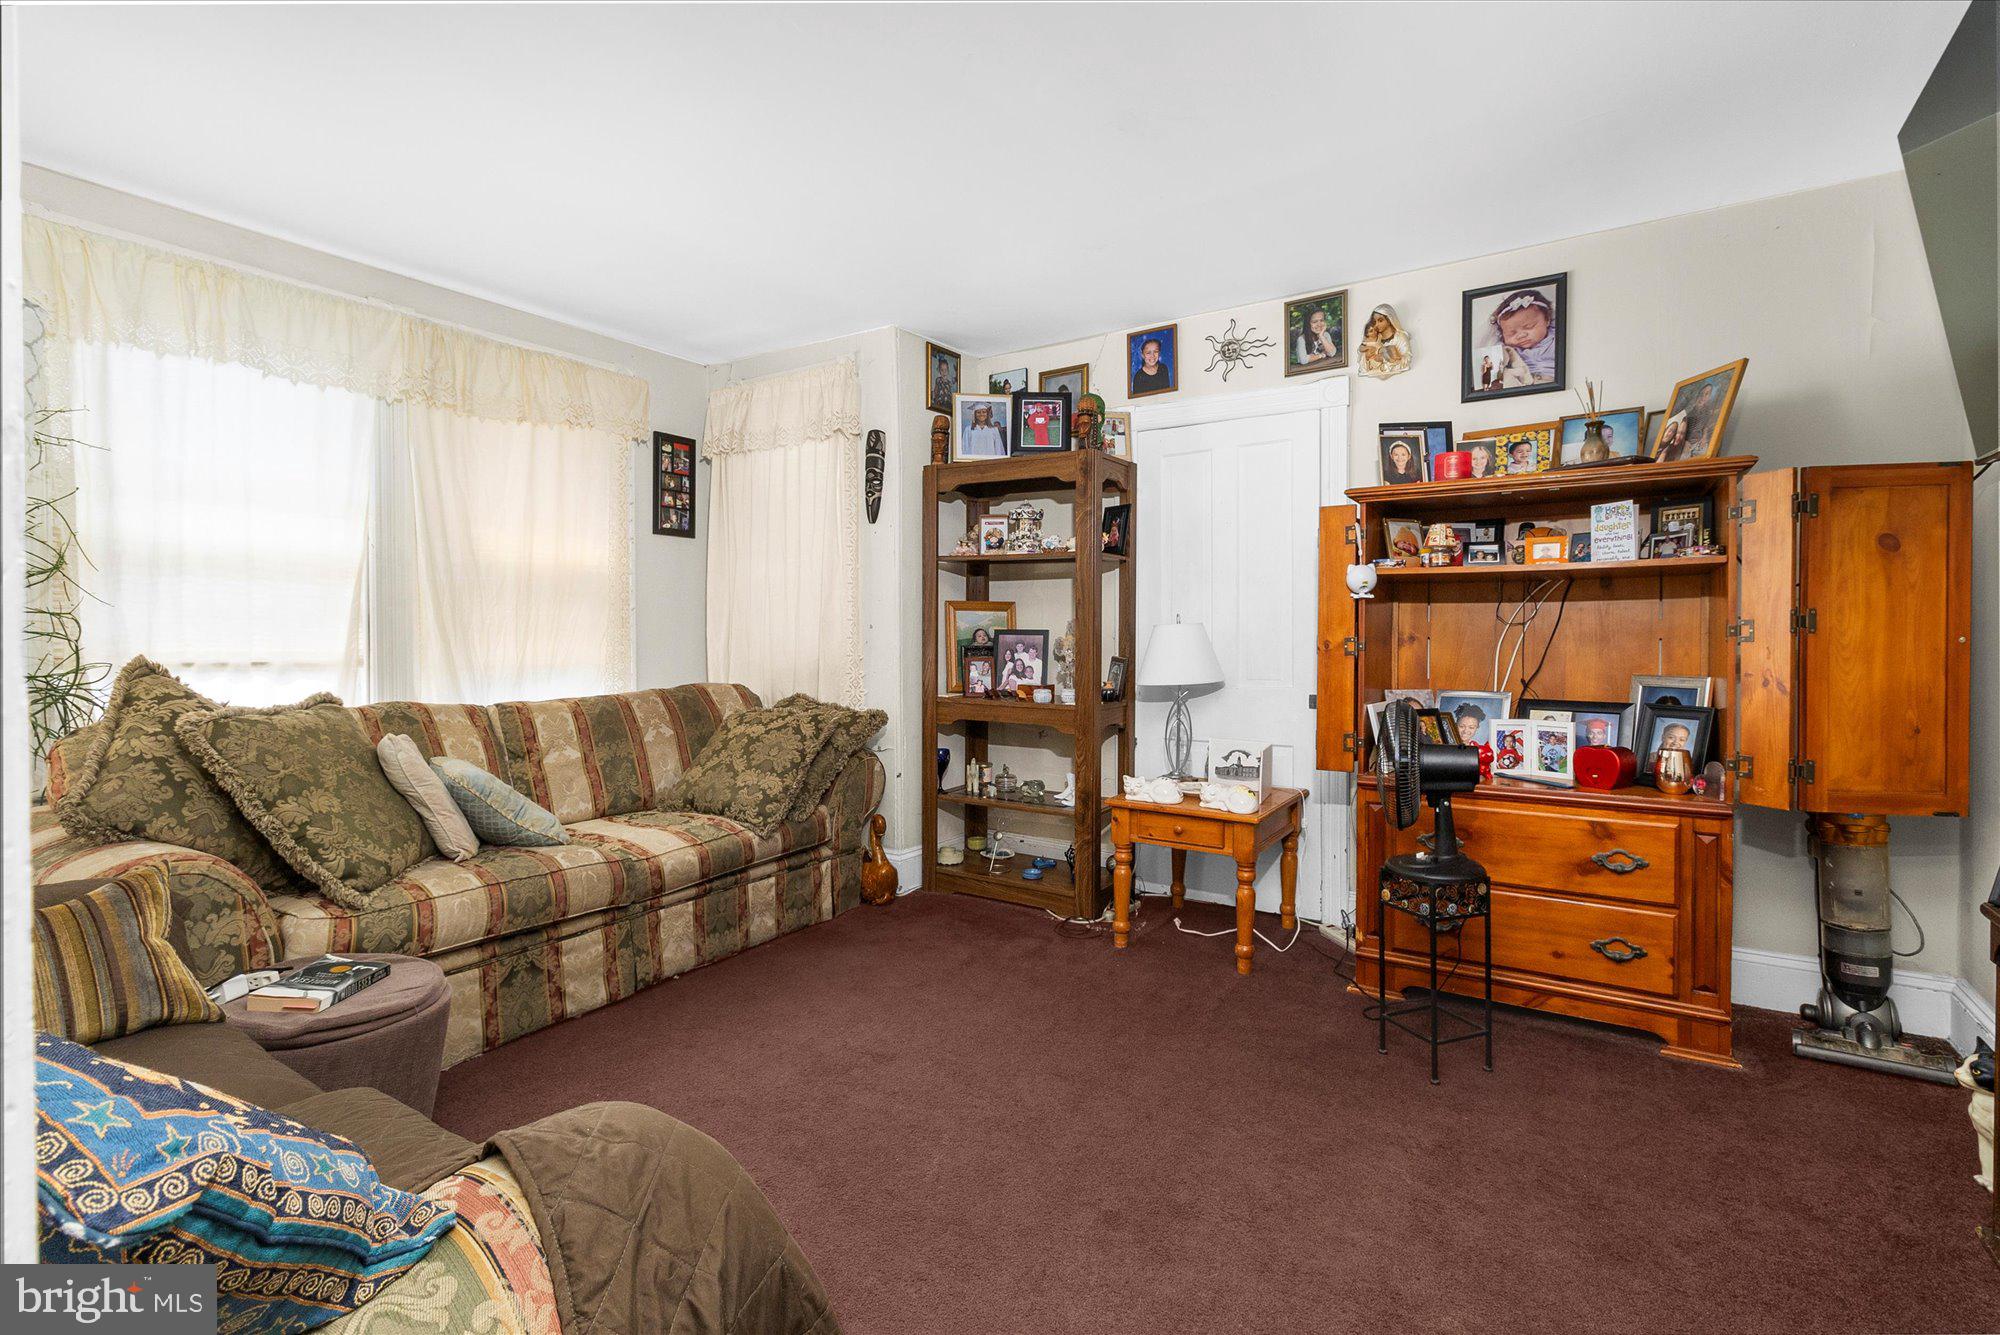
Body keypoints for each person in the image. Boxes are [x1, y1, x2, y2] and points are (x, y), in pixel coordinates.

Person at [1478, 287, 1558, 389]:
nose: (1521, 335)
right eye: (1511, 333)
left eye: (1529, 327)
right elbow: (1487, 375)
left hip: (1551, 381)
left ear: (1547, 320)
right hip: (1519, 384)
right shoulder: (1506, 348)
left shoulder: (1555, 337)